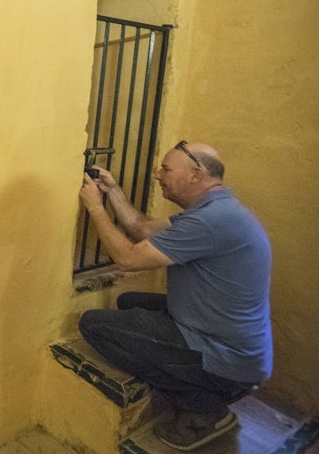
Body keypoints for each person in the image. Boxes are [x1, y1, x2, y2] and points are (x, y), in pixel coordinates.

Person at [77, 140, 272, 451]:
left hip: (227, 360)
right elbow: (141, 229)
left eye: (166, 169)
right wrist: (112, 192)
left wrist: (95, 207)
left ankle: (204, 406)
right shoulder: (215, 210)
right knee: (128, 303)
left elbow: (127, 258)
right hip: (226, 340)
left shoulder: (210, 221)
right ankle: (201, 385)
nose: (158, 175)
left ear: (195, 175)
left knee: (94, 325)